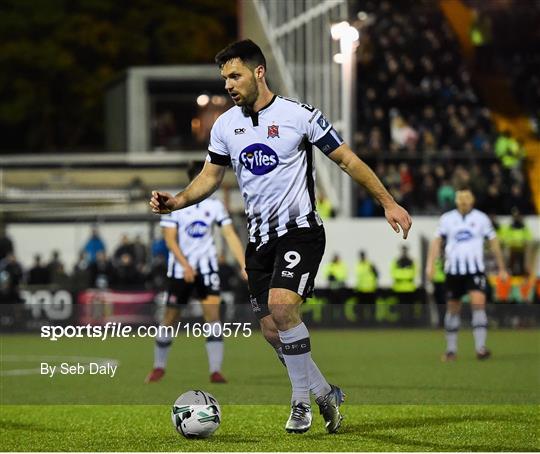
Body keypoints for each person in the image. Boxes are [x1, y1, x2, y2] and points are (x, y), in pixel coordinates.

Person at [149, 40, 411, 434]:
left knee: (283, 309)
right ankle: (325, 393)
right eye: (224, 79)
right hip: (260, 240)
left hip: (300, 232)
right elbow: (209, 176)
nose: (228, 85)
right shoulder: (225, 126)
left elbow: (347, 159)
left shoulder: (300, 116)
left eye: (234, 76)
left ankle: (300, 404)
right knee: (272, 331)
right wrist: (178, 201)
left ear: (259, 72)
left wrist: (388, 202)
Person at [145, 161, 247, 385]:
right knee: (170, 318)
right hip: (181, 271)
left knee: (213, 317)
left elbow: (229, 234)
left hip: (207, 269)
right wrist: (186, 266)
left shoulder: (215, 206)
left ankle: (215, 371)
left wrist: (243, 264)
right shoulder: (175, 203)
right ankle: (159, 367)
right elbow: (170, 240)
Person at [426, 189, 507, 362]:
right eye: (460, 200)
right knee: (453, 309)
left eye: (466, 199)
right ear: (456, 201)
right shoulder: (447, 219)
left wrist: (502, 267)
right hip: (453, 271)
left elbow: (493, 242)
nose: (463, 202)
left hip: (475, 270)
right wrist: (430, 265)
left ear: (472, 201)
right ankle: (451, 350)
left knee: (478, 304)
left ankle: (480, 348)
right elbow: (436, 242)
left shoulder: (481, 219)